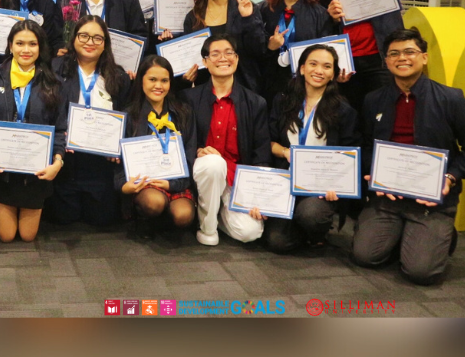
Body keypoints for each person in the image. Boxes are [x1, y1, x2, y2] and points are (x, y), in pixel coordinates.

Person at [352, 27, 464, 285]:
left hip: (431, 201)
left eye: (409, 52)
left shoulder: (451, 98)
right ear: (386, 61)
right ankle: (408, 236)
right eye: (394, 54)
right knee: (364, 256)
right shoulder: (374, 100)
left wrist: (450, 177)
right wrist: (373, 170)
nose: (402, 58)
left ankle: (438, 234)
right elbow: (366, 145)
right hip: (387, 197)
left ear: (424, 57)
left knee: (421, 272)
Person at [0, 20, 65, 242]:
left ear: (40, 47)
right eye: (20, 43)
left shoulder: (54, 82)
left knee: (27, 236)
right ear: (10, 45)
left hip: (35, 173)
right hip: (1, 170)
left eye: (32, 44)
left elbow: (60, 129)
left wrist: (57, 163)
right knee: (6, 236)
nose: (26, 50)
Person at [265, 44, 359, 254]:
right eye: (313, 64)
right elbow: (268, 142)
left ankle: (316, 231)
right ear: (301, 68)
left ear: (333, 73)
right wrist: (286, 152)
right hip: (285, 178)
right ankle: (301, 230)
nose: (319, 71)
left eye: (326, 66)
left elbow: (349, 156)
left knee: (311, 215)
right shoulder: (282, 102)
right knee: (276, 242)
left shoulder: (343, 111)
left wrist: (338, 184)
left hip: (320, 185)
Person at [184, 34, 270, 246]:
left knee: (250, 232)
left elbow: (261, 152)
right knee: (214, 163)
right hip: (203, 172)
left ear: (237, 58)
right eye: (215, 54)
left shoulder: (255, 103)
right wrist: (197, 151)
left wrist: (258, 195)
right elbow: (182, 139)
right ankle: (207, 229)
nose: (223, 58)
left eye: (228, 53)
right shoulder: (189, 98)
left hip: (236, 178)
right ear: (205, 61)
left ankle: (212, 213)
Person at [47, 15, 130, 227]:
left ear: (105, 44)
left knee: (102, 221)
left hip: (100, 161)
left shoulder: (118, 76)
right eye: (83, 36)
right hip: (66, 158)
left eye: (97, 38)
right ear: (74, 39)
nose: (90, 42)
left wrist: (118, 146)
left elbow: (127, 114)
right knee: (63, 219)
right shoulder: (56, 68)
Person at [117, 55, 196, 238]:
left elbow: (190, 154)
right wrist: (123, 185)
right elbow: (119, 161)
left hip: (175, 180)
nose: (158, 86)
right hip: (144, 183)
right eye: (152, 79)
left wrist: (173, 184)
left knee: (183, 216)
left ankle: (162, 222)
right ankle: (145, 217)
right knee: (154, 203)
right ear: (141, 81)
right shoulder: (129, 115)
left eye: (164, 80)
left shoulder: (183, 112)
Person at [257, 0, 336, 106]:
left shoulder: (320, 13)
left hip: (307, 87)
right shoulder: (262, 10)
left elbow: (327, 52)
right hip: (268, 84)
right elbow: (252, 50)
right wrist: (269, 47)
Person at [181, 0, 266, 94]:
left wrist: (248, 18)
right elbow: (189, 57)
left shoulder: (245, 9)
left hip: (244, 89)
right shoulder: (193, 17)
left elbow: (259, 49)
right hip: (206, 91)